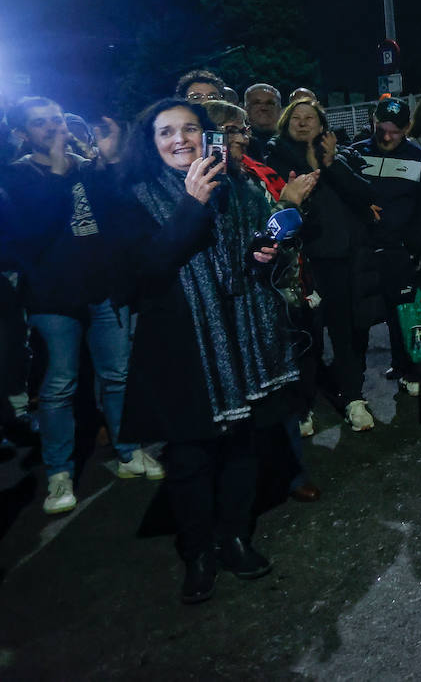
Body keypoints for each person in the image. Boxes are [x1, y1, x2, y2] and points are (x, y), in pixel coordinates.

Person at [117, 98, 299, 604]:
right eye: (166, 132)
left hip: (243, 338)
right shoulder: (133, 197)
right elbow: (147, 271)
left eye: (190, 129)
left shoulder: (238, 187)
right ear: (150, 144)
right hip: (183, 349)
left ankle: (234, 536)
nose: (180, 139)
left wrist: (266, 254)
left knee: (243, 446)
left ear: (205, 135)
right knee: (191, 457)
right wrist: (191, 205)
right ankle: (198, 550)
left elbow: (254, 261)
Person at [0, 98, 160, 516]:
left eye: (56, 119)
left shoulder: (88, 168)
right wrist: (56, 171)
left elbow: (121, 214)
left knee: (118, 375)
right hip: (53, 299)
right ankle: (58, 472)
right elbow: (31, 232)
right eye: (40, 124)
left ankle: (129, 451)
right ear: (21, 134)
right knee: (59, 387)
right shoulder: (14, 177)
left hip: (104, 290)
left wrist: (108, 164)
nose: (53, 128)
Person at [202, 99, 322, 504]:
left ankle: (292, 474)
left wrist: (283, 218)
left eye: (243, 131)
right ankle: (240, 488)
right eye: (234, 131)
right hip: (219, 316)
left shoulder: (251, 183)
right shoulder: (197, 189)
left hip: (262, 307)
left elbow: (273, 236)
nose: (242, 138)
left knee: (278, 398)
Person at [262, 98, 381, 432]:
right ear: (286, 123)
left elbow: (366, 194)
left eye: (310, 118)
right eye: (296, 118)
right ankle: (303, 405)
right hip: (301, 262)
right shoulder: (275, 158)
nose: (303, 123)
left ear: (321, 124)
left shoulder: (339, 156)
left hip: (343, 259)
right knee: (306, 337)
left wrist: (329, 163)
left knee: (348, 331)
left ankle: (354, 398)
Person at [353, 98, 421, 396]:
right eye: (381, 129)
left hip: (403, 251)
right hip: (365, 250)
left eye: (395, 132)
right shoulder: (357, 152)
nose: (387, 137)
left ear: (407, 128)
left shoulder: (420, 159)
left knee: (410, 312)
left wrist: (420, 249)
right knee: (386, 311)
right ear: (373, 121)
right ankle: (398, 362)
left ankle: (414, 369)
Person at [243, 84, 282, 161]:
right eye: (256, 103)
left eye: (270, 103)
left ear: (279, 109)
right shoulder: (237, 143)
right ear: (245, 109)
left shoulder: (291, 142)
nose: (264, 108)